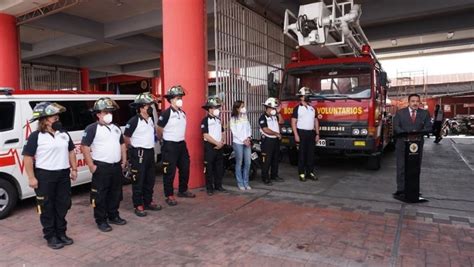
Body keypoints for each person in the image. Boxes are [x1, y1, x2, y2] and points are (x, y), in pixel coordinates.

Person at [23, 102, 77, 249]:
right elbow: (27, 157)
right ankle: (51, 236)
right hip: (45, 176)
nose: (57, 118)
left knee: (63, 205)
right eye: (54, 116)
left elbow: (71, 151)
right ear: (45, 119)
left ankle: (61, 233)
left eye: (57, 116)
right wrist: (31, 177)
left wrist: (74, 169)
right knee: (47, 207)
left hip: (63, 174)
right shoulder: (36, 136)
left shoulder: (64, 134)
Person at [81, 97, 127, 232]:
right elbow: (85, 147)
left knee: (115, 192)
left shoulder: (116, 128)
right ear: (98, 114)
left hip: (116, 166)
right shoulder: (92, 128)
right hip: (101, 167)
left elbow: (122, 144)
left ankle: (113, 215)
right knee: (100, 195)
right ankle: (101, 220)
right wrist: (91, 166)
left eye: (110, 112)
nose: (108, 114)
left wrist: (124, 160)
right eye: (105, 112)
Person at [157, 85, 196, 206]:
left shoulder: (182, 113)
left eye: (181, 97)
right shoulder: (166, 114)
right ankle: (169, 195)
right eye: (177, 97)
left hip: (181, 144)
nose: (180, 100)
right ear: (171, 99)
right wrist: (163, 140)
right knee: (169, 171)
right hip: (170, 145)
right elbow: (159, 129)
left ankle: (183, 190)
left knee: (185, 168)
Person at [124, 92, 162, 217]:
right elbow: (126, 137)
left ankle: (148, 201)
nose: (150, 107)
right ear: (141, 107)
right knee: (138, 180)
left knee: (150, 179)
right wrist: (133, 149)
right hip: (139, 153)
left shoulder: (150, 119)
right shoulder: (134, 121)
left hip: (149, 152)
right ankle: (138, 204)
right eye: (148, 105)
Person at [393, 94, 432, 198]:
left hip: (417, 145)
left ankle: (414, 189)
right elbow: (396, 127)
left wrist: (417, 133)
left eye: (417, 101)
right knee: (401, 167)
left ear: (419, 102)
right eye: (413, 101)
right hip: (402, 143)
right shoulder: (400, 113)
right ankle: (401, 189)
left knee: (415, 167)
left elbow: (429, 127)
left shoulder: (424, 113)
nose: (415, 103)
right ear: (408, 102)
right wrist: (407, 133)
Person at [291, 87, 320, 182]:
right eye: (306, 95)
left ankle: (310, 173)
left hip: (311, 133)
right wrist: (296, 135)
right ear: (301, 97)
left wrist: (317, 133)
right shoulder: (297, 109)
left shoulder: (312, 108)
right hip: (301, 133)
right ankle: (302, 173)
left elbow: (316, 121)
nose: (308, 97)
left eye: (308, 95)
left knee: (311, 154)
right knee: (302, 154)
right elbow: (293, 122)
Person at [200, 96, 227, 196]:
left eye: (218, 108)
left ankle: (218, 185)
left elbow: (223, 131)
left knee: (219, 167)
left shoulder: (218, 120)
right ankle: (209, 188)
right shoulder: (205, 121)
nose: (217, 110)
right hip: (210, 147)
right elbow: (205, 135)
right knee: (209, 168)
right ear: (210, 109)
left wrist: (222, 141)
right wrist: (216, 143)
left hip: (219, 147)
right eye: (216, 108)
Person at [258, 97, 284, 185]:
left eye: (275, 108)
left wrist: (279, 113)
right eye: (272, 108)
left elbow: (282, 122)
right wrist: (276, 133)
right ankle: (265, 178)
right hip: (267, 141)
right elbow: (265, 129)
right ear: (267, 108)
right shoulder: (263, 117)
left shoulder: (275, 116)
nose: (274, 110)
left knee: (275, 159)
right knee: (266, 160)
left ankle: (274, 175)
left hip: (275, 141)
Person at [230, 100, 252, 190]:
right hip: (238, 143)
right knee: (239, 162)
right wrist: (243, 140)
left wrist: (249, 138)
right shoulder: (233, 118)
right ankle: (240, 183)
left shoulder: (245, 116)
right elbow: (234, 132)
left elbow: (249, 128)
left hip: (247, 142)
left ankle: (246, 182)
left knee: (248, 162)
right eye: (242, 106)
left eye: (244, 106)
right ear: (237, 108)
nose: (244, 108)